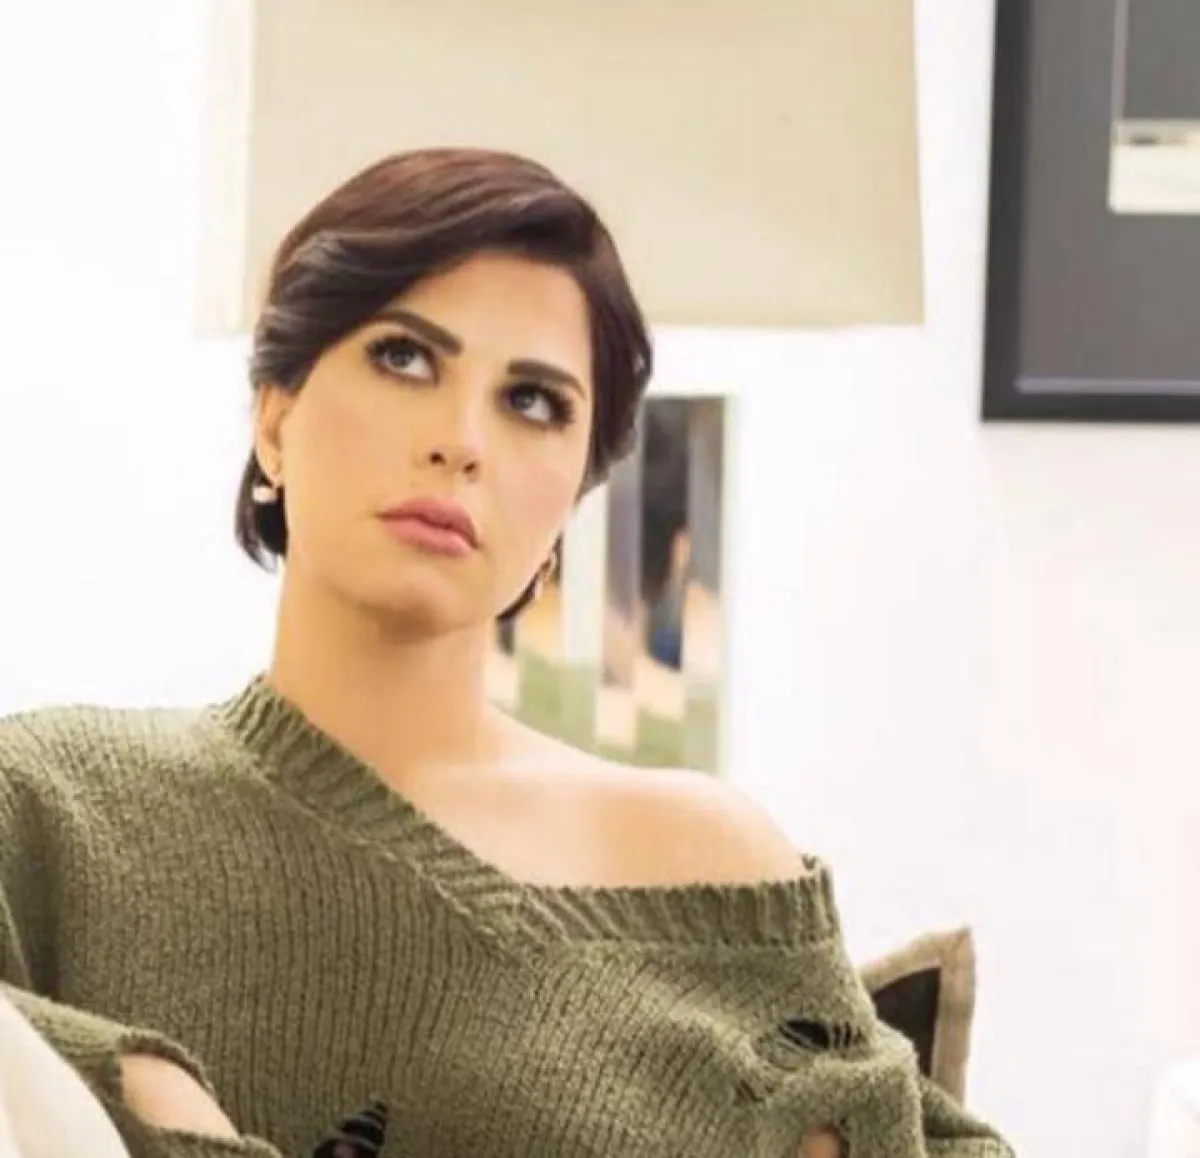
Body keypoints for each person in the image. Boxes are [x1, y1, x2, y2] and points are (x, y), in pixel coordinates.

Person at [0, 149, 1012, 1158]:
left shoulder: (709, 866)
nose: (461, 440)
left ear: (573, 498)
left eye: (532, 402)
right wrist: (137, 1082)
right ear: (275, 419)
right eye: (404, 358)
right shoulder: (60, 806)